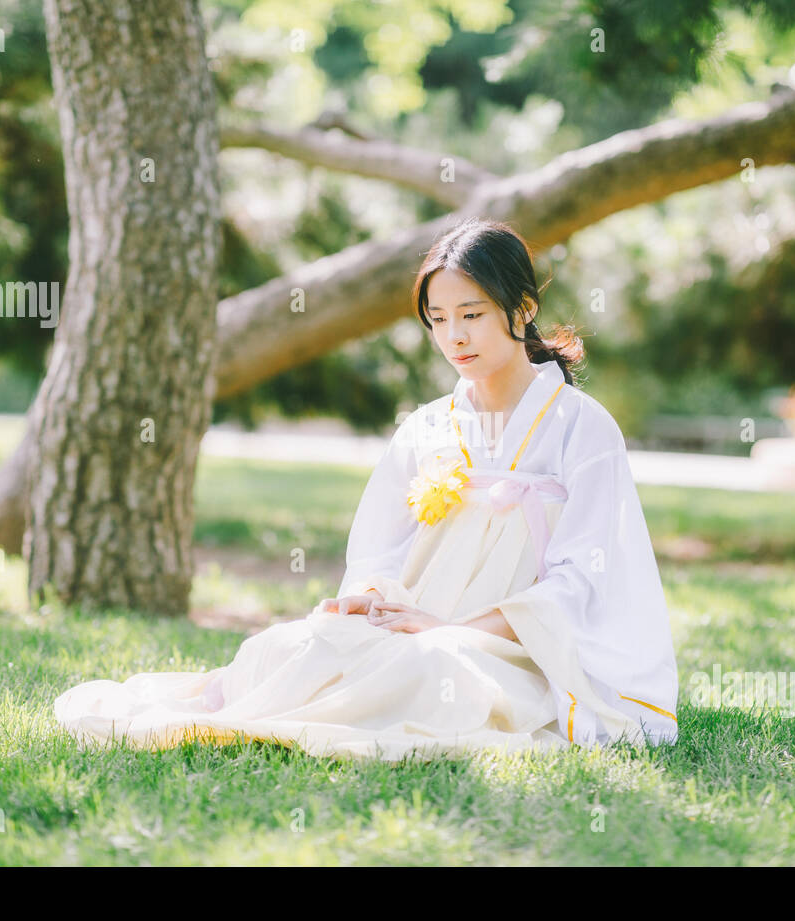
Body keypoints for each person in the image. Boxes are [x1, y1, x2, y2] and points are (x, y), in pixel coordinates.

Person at [53, 217, 679, 761]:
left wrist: (447, 628)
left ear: (522, 310)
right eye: (438, 320)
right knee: (290, 644)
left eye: (472, 315)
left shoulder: (581, 427)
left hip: (515, 651)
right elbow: (378, 551)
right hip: (412, 624)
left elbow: (577, 584)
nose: (454, 337)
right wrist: (371, 600)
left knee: (428, 673)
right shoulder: (429, 426)